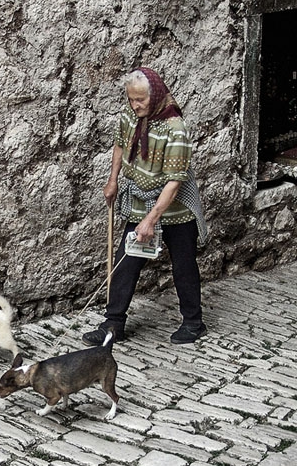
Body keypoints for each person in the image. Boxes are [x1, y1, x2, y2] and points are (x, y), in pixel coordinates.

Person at [82, 67, 208, 346]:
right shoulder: (130, 117)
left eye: (140, 100)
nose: (135, 105)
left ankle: (193, 322)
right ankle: (113, 323)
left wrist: (151, 220)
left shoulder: (175, 128)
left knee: (183, 265)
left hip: (175, 206)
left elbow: (175, 181)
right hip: (141, 199)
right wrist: (113, 179)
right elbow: (119, 145)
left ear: (157, 96)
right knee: (125, 262)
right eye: (131, 99)